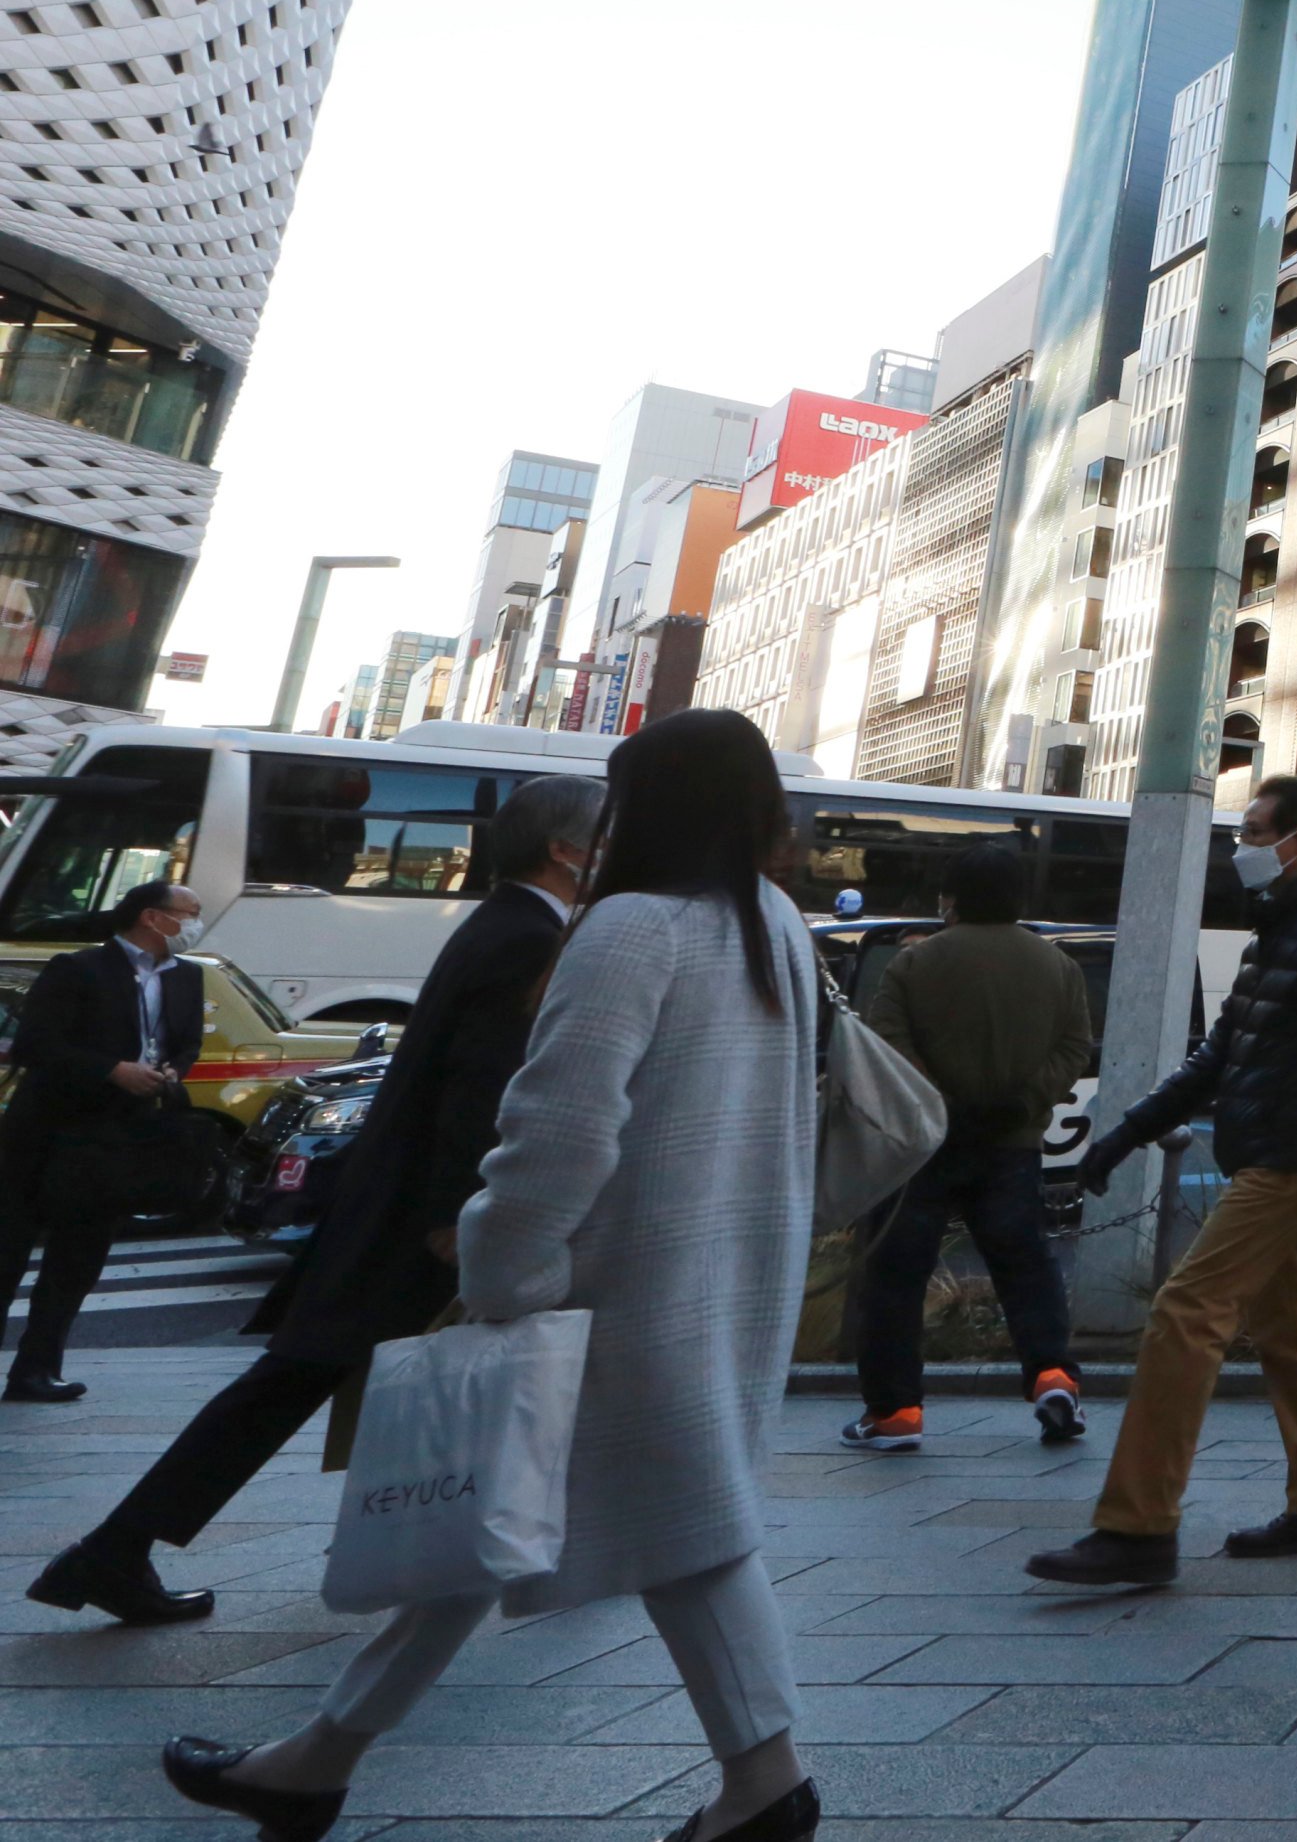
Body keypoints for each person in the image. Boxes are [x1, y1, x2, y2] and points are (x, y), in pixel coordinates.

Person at [157, 707, 820, 1842]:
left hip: (606, 1289)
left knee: (667, 1534)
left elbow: (555, 1133)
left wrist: (503, 1270)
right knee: (490, 1517)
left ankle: (767, 1784)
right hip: (717, 1278)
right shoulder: (773, 923)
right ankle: (314, 1760)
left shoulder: (630, 930)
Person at [32, 778, 602, 1624]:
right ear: (564, 849)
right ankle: (116, 1551)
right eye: (607, 833)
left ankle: (116, 1552)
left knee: (300, 1379)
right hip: (420, 1219)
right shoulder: (525, 937)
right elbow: (474, 1090)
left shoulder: (508, 924)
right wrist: (457, 1214)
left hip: (401, 1209)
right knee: (302, 1378)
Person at [1028, 773, 1297, 1586]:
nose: (1244, 848)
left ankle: (1137, 1525)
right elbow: (1217, 1057)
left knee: (1187, 1312)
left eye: (1256, 833)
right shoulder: (1278, 931)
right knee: (1296, 1332)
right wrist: (1123, 1134)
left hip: (1295, 1161)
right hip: (1268, 1152)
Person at [841, 843, 1097, 1455]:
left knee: (898, 1275)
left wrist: (943, 1106)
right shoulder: (1057, 966)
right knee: (1027, 1267)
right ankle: (1053, 1378)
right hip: (1012, 1143)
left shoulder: (913, 965)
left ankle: (895, 1413)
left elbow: (888, 1046)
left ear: (949, 899)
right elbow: (1073, 1048)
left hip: (924, 1146)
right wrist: (1020, 1102)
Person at [0, 876, 206, 1402]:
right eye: (188, 912)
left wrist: (170, 1073)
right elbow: (36, 1044)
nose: (194, 924)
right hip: (49, 1132)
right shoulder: (78, 968)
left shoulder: (188, 977)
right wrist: (111, 1070)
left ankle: (36, 1368)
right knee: (9, 1249)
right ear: (150, 917)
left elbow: (184, 1043)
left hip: (119, 1138)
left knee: (79, 1258)